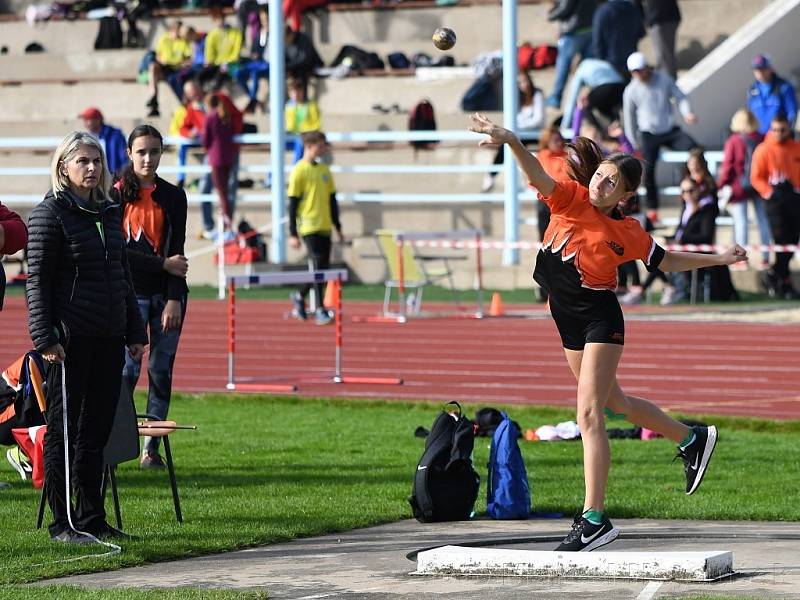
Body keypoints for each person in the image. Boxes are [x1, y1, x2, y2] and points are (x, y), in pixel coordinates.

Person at [468, 112, 746, 552]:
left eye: (612, 182)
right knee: (615, 404)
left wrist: (720, 259)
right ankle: (692, 438)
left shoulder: (627, 232)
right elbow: (537, 172)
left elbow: (666, 260)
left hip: (601, 320)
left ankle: (594, 518)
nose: (601, 183)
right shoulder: (569, 198)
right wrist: (512, 141)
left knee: (589, 416)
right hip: (566, 317)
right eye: (600, 175)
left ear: (627, 194)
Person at [27, 131, 147, 543]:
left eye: (97, 161)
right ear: (64, 167)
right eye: (83, 161)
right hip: (69, 342)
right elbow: (37, 282)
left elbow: (123, 277)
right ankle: (65, 523)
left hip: (109, 337)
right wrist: (45, 337)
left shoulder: (110, 211)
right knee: (64, 431)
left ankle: (92, 517)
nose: (92, 168)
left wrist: (135, 329)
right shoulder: (50, 214)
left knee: (94, 433)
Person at [111, 125, 188, 469]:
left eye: (154, 151)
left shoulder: (174, 196)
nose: (147, 158)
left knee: (161, 370)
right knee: (126, 372)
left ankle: (151, 449)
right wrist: (162, 264)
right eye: (141, 151)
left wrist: (173, 298)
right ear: (129, 153)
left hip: (166, 298)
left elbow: (178, 255)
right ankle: (114, 443)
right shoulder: (114, 195)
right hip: (130, 295)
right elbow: (118, 253)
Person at [622, 51, 697, 224]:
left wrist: (687, 113)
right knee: (648, 169)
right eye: (635, 72)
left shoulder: (663, 80)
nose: (639, 74)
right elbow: (629, 119)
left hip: (669, 129)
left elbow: (680, 96)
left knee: (694, 150)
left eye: (641, 70)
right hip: (649, 133)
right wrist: (633, 144)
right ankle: (653, 208)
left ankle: (695, 191)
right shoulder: (630, 91)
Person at [288, 131, 344, 325]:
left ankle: (299, 294)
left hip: (324, 224)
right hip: (309, 225)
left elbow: (332, 200)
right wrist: (292, 233)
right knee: (318, 265)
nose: (323, 149)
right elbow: (293, 203)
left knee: (324, 268)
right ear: (309, 146)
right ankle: (320, 308)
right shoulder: (299, 170)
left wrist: (338, 226)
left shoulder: (324, 170)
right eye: (320, 145)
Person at [750, 114, 800, 299]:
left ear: (788, 129)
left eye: (782, 130)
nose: (778, 133)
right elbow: (756, 177)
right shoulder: (763, 149)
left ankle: (776, 275)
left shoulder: (796, 148)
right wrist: (770, 192)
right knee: (781, 241)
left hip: (794, 199)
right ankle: (781, 279)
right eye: (775, 129)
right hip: (774, 202)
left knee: (792, 241)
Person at [717, 108, 771, 268]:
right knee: (763, 222)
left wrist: (721, 185)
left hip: (739, 186)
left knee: (741, 223)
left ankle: (741, 260)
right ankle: (765, 258)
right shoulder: (763, 138)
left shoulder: (733, 141)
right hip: (760, 185)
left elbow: (728, 167)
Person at [482, 71, 545, 192]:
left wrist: (517, 127)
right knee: (508, 146)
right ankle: (491, 174)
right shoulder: (516, 99)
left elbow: (538, 120)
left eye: (525, 81)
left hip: (535, 134)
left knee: (511, 144)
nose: (524, 85)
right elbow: (511, 120)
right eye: (520, 82)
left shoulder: (537, 94)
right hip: (520, 135)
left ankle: (492, 174)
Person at [545, 0, 597, 109]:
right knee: (586, 68)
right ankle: (585, 99)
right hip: (589, 28)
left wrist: (550, 15)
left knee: (563, 65)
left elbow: (565, 8)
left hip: (572, 31)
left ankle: (556, 97)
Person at [202, 93, 237, 234]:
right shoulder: (225, 115)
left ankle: (227, 225)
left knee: (222, 194)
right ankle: (227, 223)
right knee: (225, 193)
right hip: (228, 157)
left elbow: (205, 139)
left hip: (216, 158)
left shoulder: (210, 117)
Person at [563, 57, 626, 133]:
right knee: (603, 106)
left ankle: (599, 132)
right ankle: (615, 127)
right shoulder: (593, 61)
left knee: (583, 104)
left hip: (606, 87)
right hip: (621, 86)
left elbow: (572, 99)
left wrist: (565, 126)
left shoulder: (580, 70)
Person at [146, 19, 193, 117]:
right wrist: (162, 61)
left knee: (176, 79)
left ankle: (184, 104)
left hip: (176, 68)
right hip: (164, 67)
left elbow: (188, 59)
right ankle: (153, 97)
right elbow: (158, 55)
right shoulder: (165, 38)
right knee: (152, 67)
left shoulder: (183, 41)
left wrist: (178, 63)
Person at [592, 0, 645, 78]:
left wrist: (601, 61)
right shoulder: (631, 7)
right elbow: (641, 32)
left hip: (612, 64)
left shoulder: (601, 12)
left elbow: (597, 43)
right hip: (632, 61)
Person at [747, 54, 797, 135]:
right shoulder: (752, 91)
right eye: (756, 69)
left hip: (779, 137)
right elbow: (750, 115)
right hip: (758, 139)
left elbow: (792, 113)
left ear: (770, 68)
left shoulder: (783, 87)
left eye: (763, 68)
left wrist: (785, 133)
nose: (760, 72)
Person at [235, 5, 270, 114]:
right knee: (238, 73)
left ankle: (252, 101)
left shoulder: (277, 32)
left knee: (255, 73)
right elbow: (255, 49)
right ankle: (252, 98)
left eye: (266, 19)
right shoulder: (261, 33)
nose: (264, 22)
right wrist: (254, 54)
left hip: (269, 64)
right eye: (262, 19)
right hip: (259, 62)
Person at [200, 9, 243, 91]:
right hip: (217, 63)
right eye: (217, 19)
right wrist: (209, 61)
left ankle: (214, 93)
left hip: (232, 64)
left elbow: (236, 53)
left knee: (221, 73)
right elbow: (209, 52)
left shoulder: (235, 33)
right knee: (200, 75)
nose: (220, 21)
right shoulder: (212, 35)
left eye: (221, 18)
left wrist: (227, 61)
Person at [79, 107, 128, 177]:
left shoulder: (115, 135)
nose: (85, 123)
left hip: (114, 178)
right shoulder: (87, 137)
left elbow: (124, 159)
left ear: (98, 120)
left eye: (88, 119)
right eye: (84, 120)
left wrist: (119, 177)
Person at [642, 0, 681, 79]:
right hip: (661, 19)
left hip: (662, 19)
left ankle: (670, 84)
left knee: (665, 57)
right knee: (665, 57)